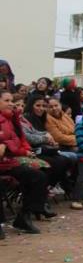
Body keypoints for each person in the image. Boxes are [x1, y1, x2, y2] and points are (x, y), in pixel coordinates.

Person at [0, 89, 48, 234]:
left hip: (7, 161)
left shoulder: (10, 119)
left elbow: (16, 141)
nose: (11, 104)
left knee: (38, 176)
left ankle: (24, 217)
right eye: (7, 101)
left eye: (11, 101)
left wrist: (9, 146)